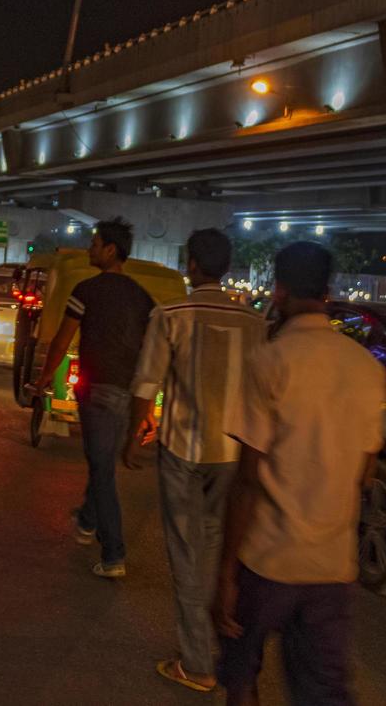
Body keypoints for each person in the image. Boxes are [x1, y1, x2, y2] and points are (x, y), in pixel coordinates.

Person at [212, 242, 386, 706]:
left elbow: (247, 480)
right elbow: (365, 473)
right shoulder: (368, 370)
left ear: (279, 290)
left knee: (241, 672)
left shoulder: (270, 361)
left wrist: (226, 573)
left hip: (268, 558)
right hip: (332, 565)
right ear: (328, 291)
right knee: (324, 691)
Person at [125, 228, 265, 694]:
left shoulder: (171, 315)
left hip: (182, 450)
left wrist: (133, 436)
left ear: (191, 265)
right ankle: (222, 649)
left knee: (187, 555)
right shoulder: (252, 322)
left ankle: (197, 662)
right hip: (234, 454)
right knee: (215, 549)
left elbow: (147, 384)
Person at [39, 217, 156, 579]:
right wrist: (147, 405)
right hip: (128, 392)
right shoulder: (142, 298)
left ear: (110, 250)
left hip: (98, 392)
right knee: (102, 462)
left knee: (103, 470)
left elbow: (62, 340)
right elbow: (152, 354)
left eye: (94, 243)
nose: (90, 249)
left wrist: (43, 377)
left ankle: (114, 554)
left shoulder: (86, 290)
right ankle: (88, 521)